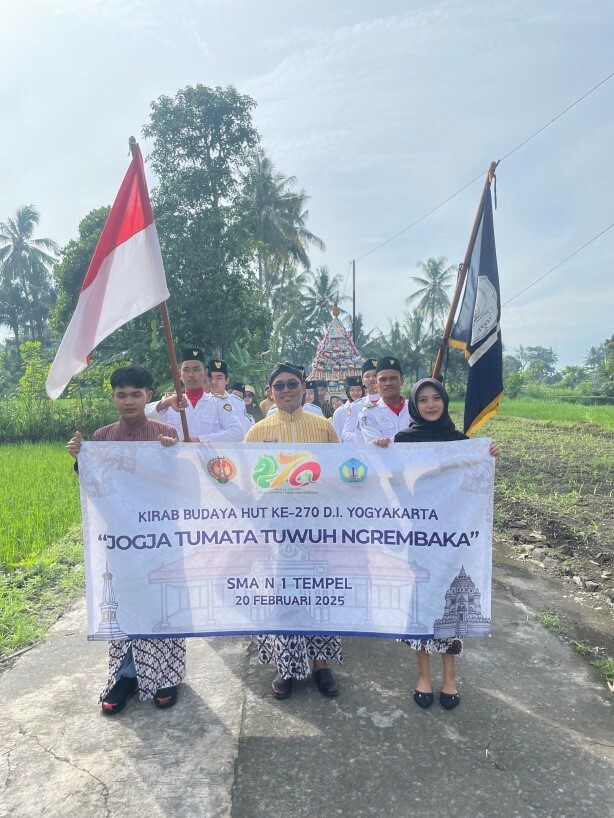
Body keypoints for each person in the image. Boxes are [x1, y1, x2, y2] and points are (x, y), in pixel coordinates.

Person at [67, 365, 185, 715]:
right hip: (121, 537)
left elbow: (180, 484)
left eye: (136, 394)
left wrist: (172, 456)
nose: (129, 401)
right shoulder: (102, 436)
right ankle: (126, 676)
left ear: (149, 396)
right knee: (125, 603)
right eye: (122, 395)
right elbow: (96, 484)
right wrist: (80, 459)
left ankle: (167, 675)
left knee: (162, 603)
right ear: (113, 397)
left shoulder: (165, 433)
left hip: (160, 536)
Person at [392, 377, 499, 711]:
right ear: (414, 405)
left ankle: (450, 678)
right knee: (423, 606)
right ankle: (423, 676)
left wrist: (488, 456)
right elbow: (395, 486)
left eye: (436, 398)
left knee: (453, 606)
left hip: (453, 540)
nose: (430, 405)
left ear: (445, 401)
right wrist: (381, 452)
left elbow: (473, 484)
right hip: (421, 537)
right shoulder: (403, 441)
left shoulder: (460, 442)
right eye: (423, 400)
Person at [244, 362, 341, 700]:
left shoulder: (324, 428)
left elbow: (339, 476)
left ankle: (321, 664)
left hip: (317, 526)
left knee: (317, 591)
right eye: (279, 385)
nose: (286, 390)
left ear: (303, 388)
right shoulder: (257, 433)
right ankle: (284, 666)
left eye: (292, 384)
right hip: (277, 530)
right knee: (283, 595)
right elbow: (248, 482)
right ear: (270, 392)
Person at [145, 348, 244, 442]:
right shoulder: (170, 403)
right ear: (179, 374)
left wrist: (199, 440)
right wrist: (166, 403)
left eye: (196, 370)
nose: (191, 375)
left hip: (207, 455)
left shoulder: (218, 403)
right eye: (186, 370)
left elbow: (237, 432)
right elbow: (141, 415)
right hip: (178, 454)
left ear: (205, 373)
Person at [358, 356, 409, 444]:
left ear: (402, 380)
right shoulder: (368, 414)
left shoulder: (415, 408)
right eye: (383, 380)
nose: (388, 383)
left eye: (393, 378)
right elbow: (375, 446)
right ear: (376, 383)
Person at [208, 358, 253, 433]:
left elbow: (242, 430)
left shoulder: (238, 403)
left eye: (219, 378)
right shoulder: (202, 402)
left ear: (227, 380)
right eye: (211, 378)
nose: (214, 381)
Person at [342, 359, 380, 442]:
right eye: (367, 376)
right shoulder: (356, 405)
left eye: (375, 375)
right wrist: (364, 436)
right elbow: (346, 434)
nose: (371, 379)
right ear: (362, 381)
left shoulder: (389, 402)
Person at [332, 375, 364, 441]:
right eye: (352, 390)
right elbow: (338, 438)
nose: (356, 393)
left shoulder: (367, 408)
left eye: (359, 389)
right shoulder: (339, 412)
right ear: (347, 391)